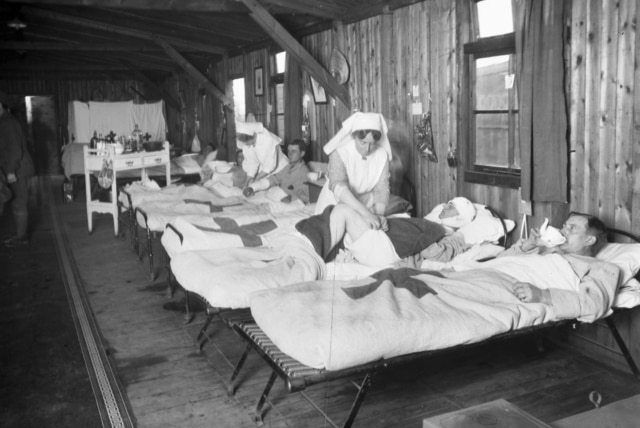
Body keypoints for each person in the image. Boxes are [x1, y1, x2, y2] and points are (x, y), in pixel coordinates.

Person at [500, 212, 608, 304]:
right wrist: (529, 244)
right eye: (564, 226)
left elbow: (594, 302)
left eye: (571, 228)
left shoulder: (596, 268)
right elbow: (498, 260)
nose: (562, 231)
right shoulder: (544, 249)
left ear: (589, 240)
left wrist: (543, 296)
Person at [314, 111, 392, 231]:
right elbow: (339, 186)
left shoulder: (382, 155)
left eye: (373, 144)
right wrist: (366, 214)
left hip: (364, 204)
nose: (368, 149)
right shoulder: (340, 153)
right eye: (363, 143)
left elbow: (381, 188)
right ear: (354, 136)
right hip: (335, 203)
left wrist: (379, 215)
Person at [0, 92, 35, 247]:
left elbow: (15, 150)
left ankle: (21, 238)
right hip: (17, 168)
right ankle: (20, 234)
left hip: (18, 169)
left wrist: (10, 171)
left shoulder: (7, 123)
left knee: (19, 202)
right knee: (16, 202)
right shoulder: (5, 121)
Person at [242, 139, 311, 203]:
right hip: (274, 196)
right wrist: (253, 187)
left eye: (294, 151)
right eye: (289, 151)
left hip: (283, 202)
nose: (290, 154)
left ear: (302, 153)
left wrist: (292, 198)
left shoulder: (304, 173)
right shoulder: (288, 167)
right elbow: (274, 179)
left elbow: (308, 197)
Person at [236, 121, 288, 187]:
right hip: (264, 172)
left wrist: (255, 180)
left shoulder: (267, 140)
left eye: (247, 143)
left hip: (280, 170)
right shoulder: (248, 143)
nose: (247, 145)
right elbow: (251, 163)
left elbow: (270, 166)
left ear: (251, 137)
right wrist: (246, 183)